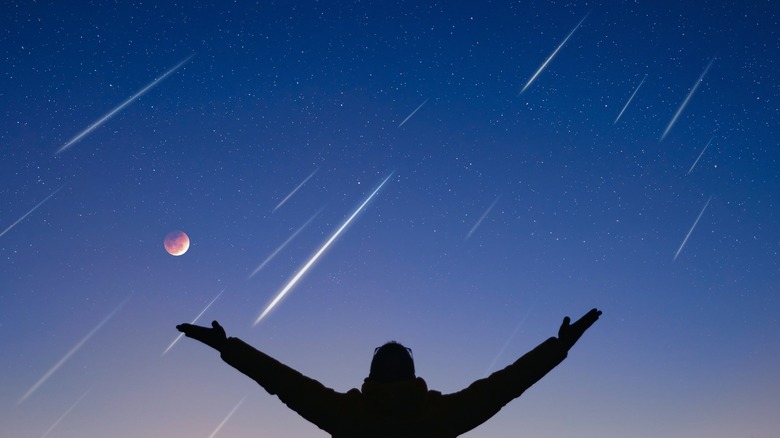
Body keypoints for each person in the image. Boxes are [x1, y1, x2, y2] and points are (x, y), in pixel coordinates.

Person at [177, 308, 601, 437]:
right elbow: (506, 386)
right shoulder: (441, 416)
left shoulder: (348, 415)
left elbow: (284, 383)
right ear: (413, 376)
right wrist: (558, 347)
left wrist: (229, 347)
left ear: (372, 376)